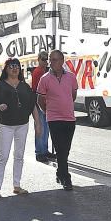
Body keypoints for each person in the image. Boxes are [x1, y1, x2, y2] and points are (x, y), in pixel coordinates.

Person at [0, 58, 41, 197]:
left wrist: (37, 123)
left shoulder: (25, 86)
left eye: (17, 66)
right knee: (3, 156)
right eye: (11, 66)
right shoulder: (0, 86)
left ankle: (17, 185)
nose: (14, 68)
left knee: (19, 155)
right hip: (6, 125)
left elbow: (32, 105)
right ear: (6, 69)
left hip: (22, 124)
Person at [36, 50, 78, 191]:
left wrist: (65, 104)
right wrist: (47, 112)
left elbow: (73, 95)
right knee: (60, 149)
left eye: (55, 59)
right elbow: (40, 99)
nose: (52, 62)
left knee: (65, 149)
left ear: (62, 61)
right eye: (50, 59)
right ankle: (66, 177)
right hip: (54, 119)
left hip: (69, 118)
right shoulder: (45, 79)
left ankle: (60, 173)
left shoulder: (71, 77)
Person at [30, 51, 52, 163]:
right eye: (43, 59)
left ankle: (44, 149)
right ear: (38, 59)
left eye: (46, 59)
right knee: (40, 128)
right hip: (39, 102)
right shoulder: (38, 72)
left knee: (46, 128)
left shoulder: (45, 71)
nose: (45, 61)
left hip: (45, 102)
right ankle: (39, 152)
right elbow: (38, 90)